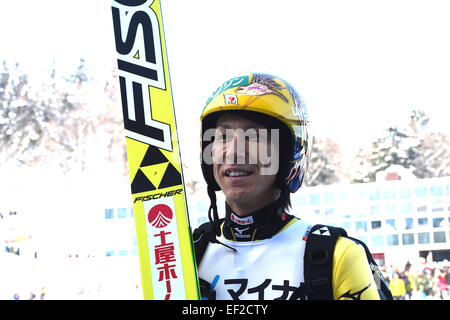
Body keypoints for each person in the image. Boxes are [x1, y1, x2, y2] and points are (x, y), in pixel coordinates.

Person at [193, 73, 380, 300]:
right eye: (222, 136)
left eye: (253, 136)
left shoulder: (338, 256)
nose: (234, 151)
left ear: (287, 155)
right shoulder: (188, 254)